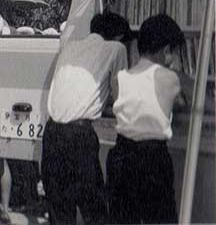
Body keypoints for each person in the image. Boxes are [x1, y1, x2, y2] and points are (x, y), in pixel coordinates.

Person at [41, 12, 130, 225]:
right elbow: (122, 97)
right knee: (94, 208)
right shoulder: (117, 49)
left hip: (52, 132)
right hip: (78, 136)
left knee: (59, 209)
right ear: (118, 36)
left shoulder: (70, 47)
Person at [107, 14, 193, 224]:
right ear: (166, 51)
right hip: (152, 158)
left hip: (120, 156)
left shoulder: (121, 78)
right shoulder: (171, 77)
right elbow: (200, 100)